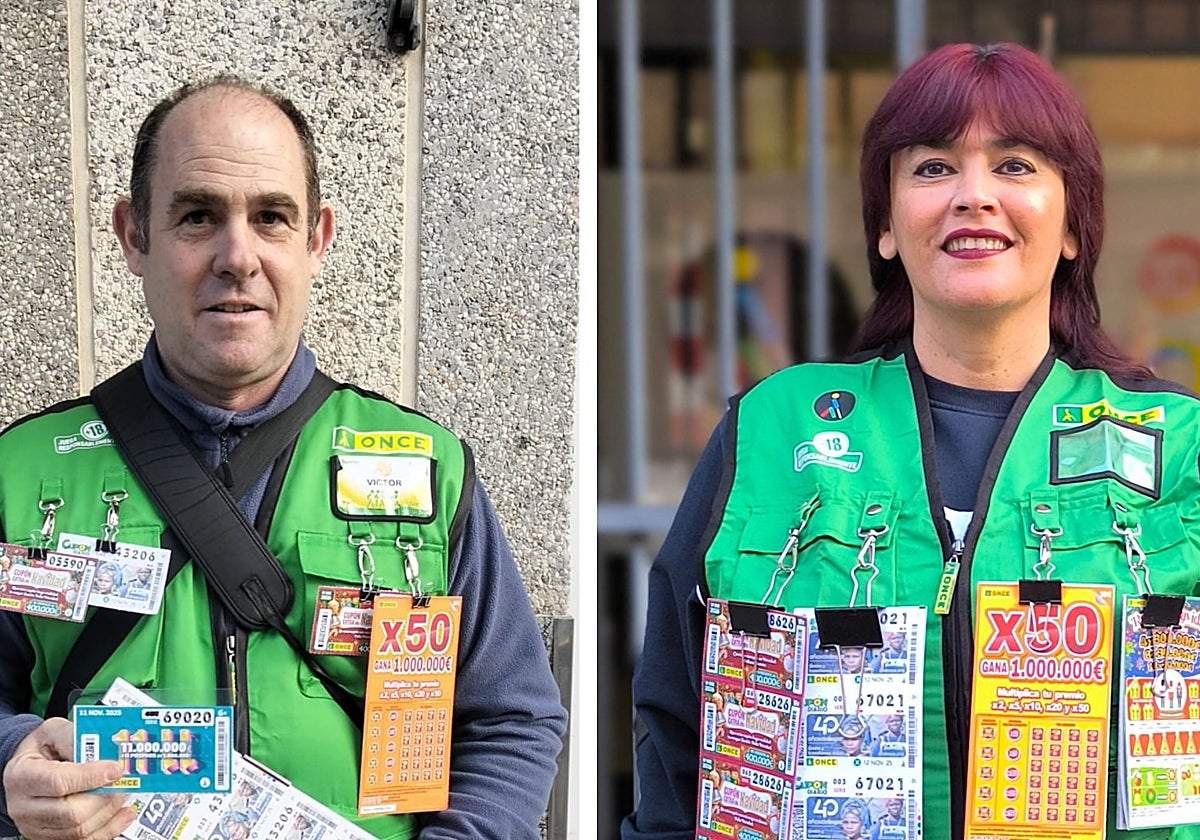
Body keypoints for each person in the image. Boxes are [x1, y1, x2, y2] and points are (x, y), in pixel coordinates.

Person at [621, 42, 1200, 840]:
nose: (974, 196)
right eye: (932, 167)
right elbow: (674, 722)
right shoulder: (774, 427)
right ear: (886, 227)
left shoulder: (1182, 445)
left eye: (1016, 165)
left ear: (1073, 225)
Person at [0, 77, 566, 840]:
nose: (239, 256)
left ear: (316, 238)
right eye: (198, 216)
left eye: (271, 217)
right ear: (134, 236)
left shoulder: (430, 470)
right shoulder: (21, 469)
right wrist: (10, 759)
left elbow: (511, 719)